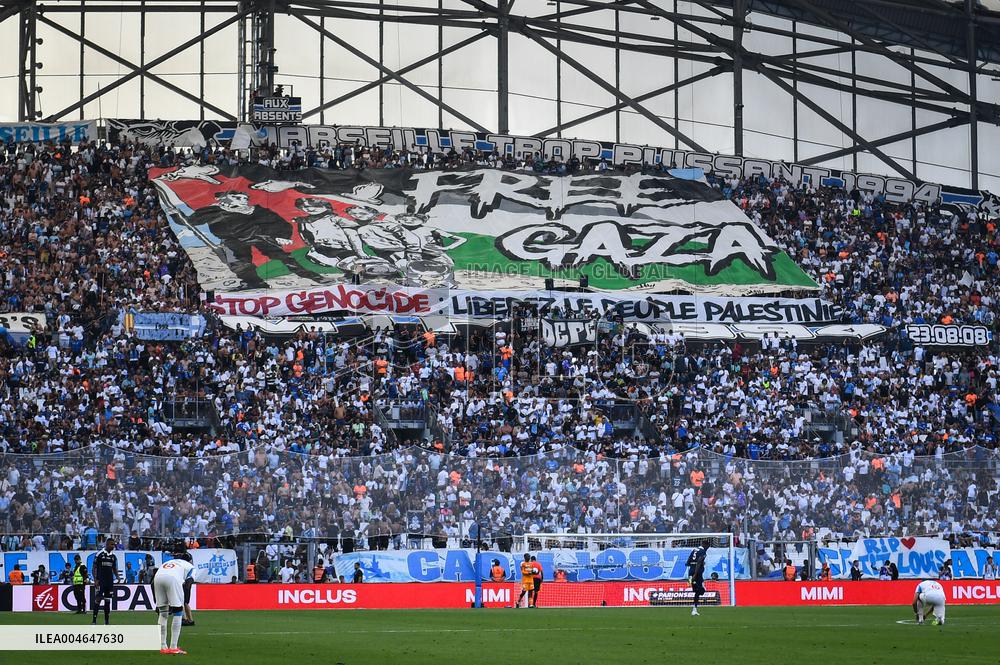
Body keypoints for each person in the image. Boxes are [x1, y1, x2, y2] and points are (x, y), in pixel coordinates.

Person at [153, 550, 195, 655]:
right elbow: (188, 584)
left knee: (163, 614)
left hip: (157, 578)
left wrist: (156, 602)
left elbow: (151, 583)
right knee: (178, 612)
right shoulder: (190, 567)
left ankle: (163, 646)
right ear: (190, 560)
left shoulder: (168, 563)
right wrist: (184, 600)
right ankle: (173, 647)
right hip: (172, 579)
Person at [92, 538, 119, 625]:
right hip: (101, 581)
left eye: (114, 544)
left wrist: (117, 576)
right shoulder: (99, 554)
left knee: (107, 601)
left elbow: (114, 568)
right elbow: (94, 568)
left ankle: (106, 621)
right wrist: (95, 579)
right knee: (98, 599)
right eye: (112, 544)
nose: (113, 546)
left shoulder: (113, 557)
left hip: (109, 582)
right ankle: (94, 621)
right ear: (107, 544)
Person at [686, 541, 708, 616]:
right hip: (697, 573)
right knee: (701, 591)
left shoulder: (694, 550)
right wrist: (695, 573)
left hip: (690, 571)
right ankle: (694, 609)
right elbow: (699, 562)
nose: (707, 549)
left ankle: (694, 609)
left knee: (696, 591)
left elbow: (687, 563)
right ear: (705, 545)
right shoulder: (703, 552)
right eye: (707, 547)